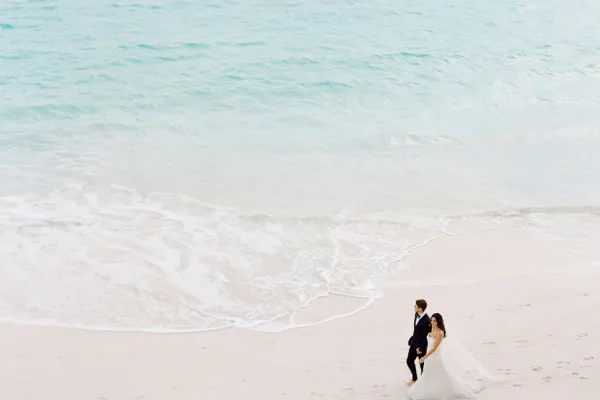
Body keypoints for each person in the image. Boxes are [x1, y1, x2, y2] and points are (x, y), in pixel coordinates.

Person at [407, 313, 498, 399]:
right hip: (429, 358)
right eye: (431, 320)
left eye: (434, 321)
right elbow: (428, 343)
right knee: (427, 374)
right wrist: (421, 349)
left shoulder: (440, 333)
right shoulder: (432, 329)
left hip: (435, 358)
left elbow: (434, 348)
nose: (432, 322)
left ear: (439, 321)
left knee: (440, 374)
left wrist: (424, 357)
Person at [407, 299, 431, 385]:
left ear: (420, 308)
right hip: (414, 342)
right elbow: (416, 330)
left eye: (415, 306)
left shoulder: (427, 320)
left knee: (422, 365)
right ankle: (415, 378)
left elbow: (425, 335)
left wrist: (420, 347)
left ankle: (424, 382)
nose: (414, 307)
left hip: (421, 345)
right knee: (409, 360)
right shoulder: (416, 314)